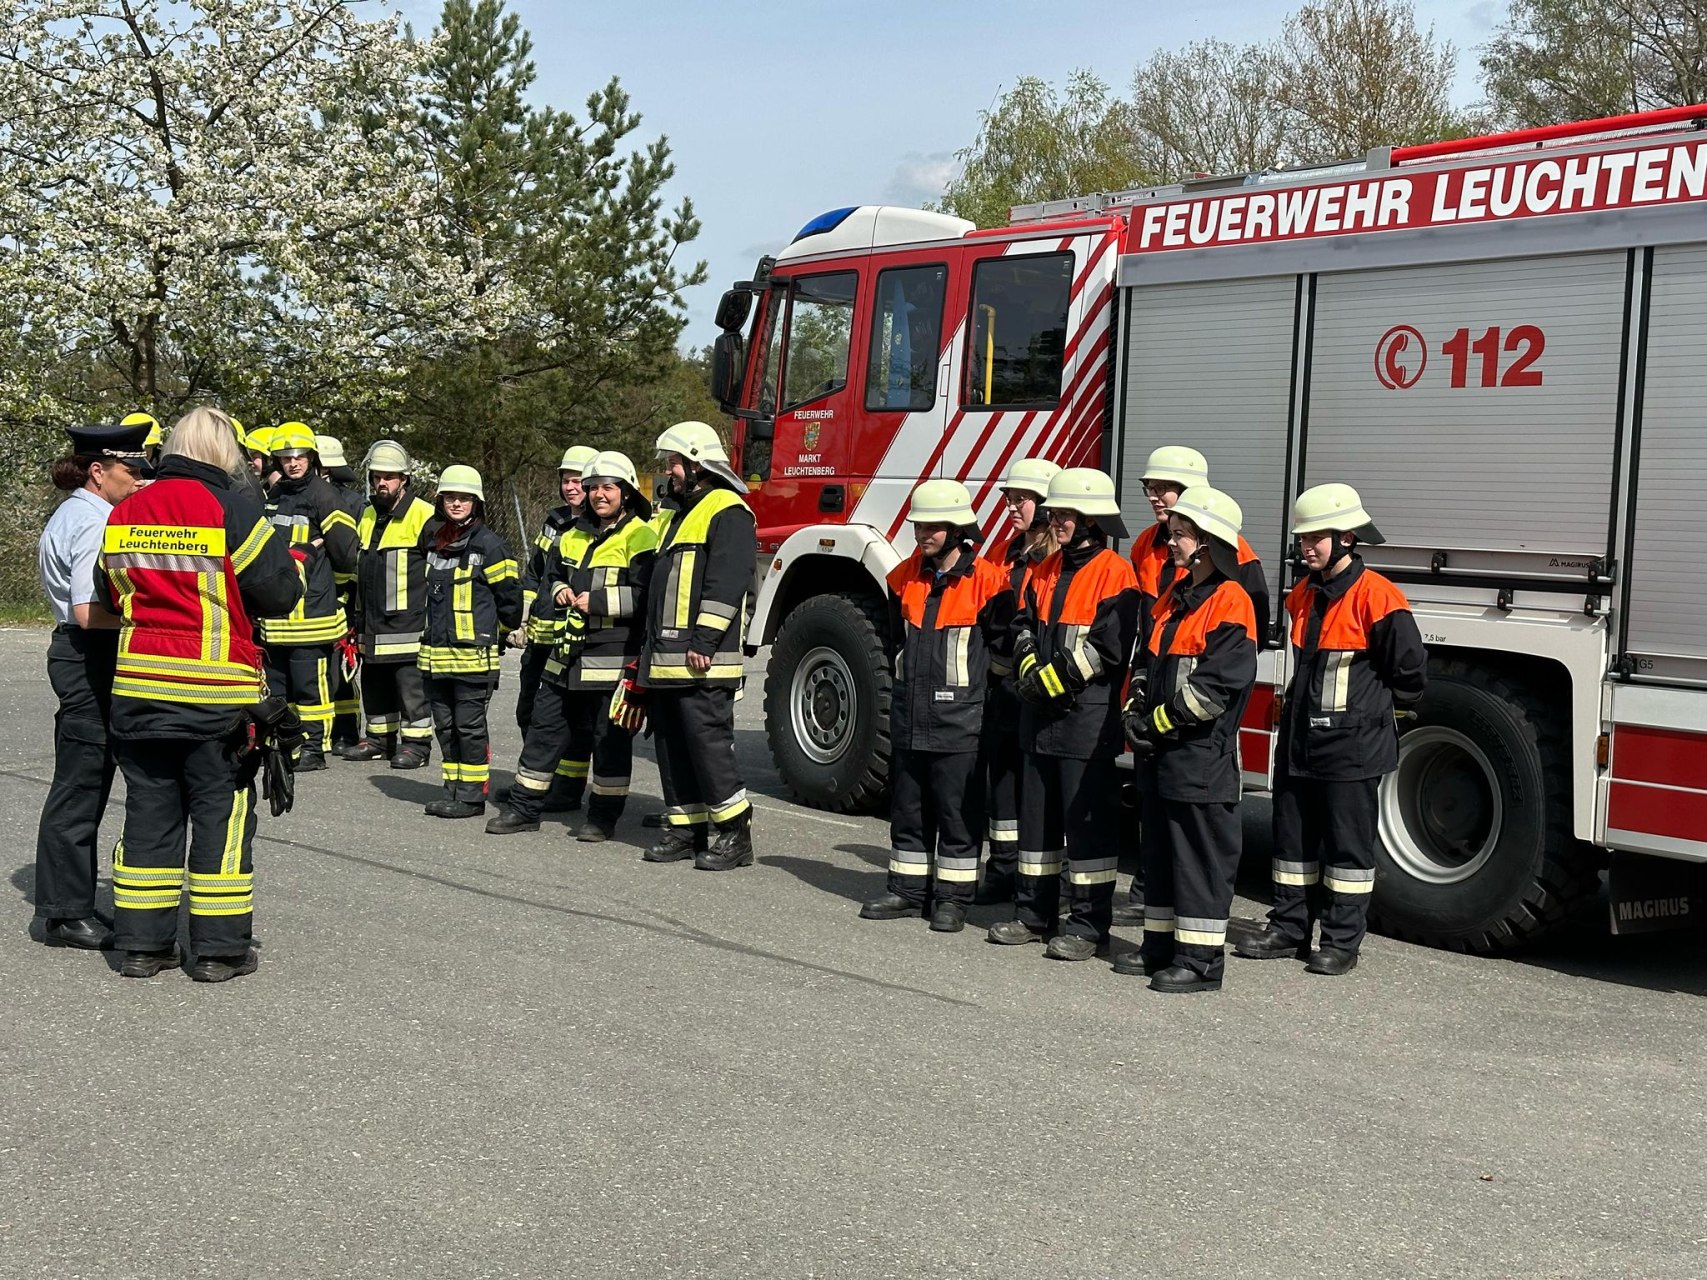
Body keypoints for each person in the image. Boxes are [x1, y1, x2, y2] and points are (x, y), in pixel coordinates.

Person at [96, 406, 301, 981]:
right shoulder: (233, 506)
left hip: (139, 693)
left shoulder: (127, 509)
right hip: (216, 699)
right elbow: (277, 592)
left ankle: (143, 946)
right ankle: (217, 950)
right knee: (222, 818)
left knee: (149, 815)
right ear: (224, 453)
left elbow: (108, 593)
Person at [1236, 484, 1427, 976]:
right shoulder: (1303, 594)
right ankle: (1289, 929)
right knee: (1292, 843)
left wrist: (1372, 721)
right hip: (1301, 743)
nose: (1306, 548)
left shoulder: (1380, 598)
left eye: (1316, 538)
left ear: (1346, 537)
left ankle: (1341, 942)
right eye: (1302, 538)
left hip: (1352, 748)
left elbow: (1409, 676)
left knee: (1347, 852)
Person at [1114, 444, 1272, 927]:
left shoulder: (1237, 564)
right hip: (1159, 681)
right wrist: (1138, 705)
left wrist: (1167, 715)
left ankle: (1194, 947)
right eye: (1150, 488)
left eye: (1166, 489)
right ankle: (1154, 909)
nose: (1156, 497)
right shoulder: (1146, 546)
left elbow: (1242, 643)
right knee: (1158, 823)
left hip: (1196, 721)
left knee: (1196, 838)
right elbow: (1148, 623)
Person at [988, 467, 1139, 961]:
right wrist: (1030, 664)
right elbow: (1023, 623)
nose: (1057, 521)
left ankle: (1089, 925)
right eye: (1055, 513)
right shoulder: (1045, 568)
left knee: (1087, 828)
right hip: (1040, 719)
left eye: (1066, 514)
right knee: (1037, 824)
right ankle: (1033, 915)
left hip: (1085, 721)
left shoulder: (1116, 574)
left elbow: (1108, 649)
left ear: (1092, 520)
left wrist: (1051, 681)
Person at [860, 479, 1013, 932]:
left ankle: (953, 899)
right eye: (918, 525)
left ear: (957, 528)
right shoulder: (903, 576)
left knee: (958, 812)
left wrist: (978, 699)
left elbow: (1003, 653)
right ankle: (907, 891)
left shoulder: (989, 581)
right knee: (908, 809)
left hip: (961, 721)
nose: (922, 533)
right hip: (911, 714)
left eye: (932, 526)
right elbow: (893, 642)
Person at [488, 450, 657, 841]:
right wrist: (562, 589)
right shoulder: (570, 534)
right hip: (564, 655)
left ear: (626, 492)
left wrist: (596, 602)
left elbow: (647, 596)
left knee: (608, 741)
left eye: (608, 488)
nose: (599, 495)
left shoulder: (642, 536)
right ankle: (524, 809)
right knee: (544, 730)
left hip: (612, 659)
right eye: (593, 487)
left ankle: (602, 818)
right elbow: (551, 578)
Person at [31, 421, 150, 951]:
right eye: (130, 469)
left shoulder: (82, 512)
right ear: (98, 471)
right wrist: (146, 621)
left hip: (83, 656)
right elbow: (87, 611)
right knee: (81, 783)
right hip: (90, 656)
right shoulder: (93, 523)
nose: (138, 477)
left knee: (87, 780)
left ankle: (69, 900)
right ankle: (64, 912)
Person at [637, 421, 757, 871]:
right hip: (667, 659)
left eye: (674, 463)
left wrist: (705, 639)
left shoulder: (727, 509)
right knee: (671, 746)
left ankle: (734, 833)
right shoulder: (680, 511)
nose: (669, 471)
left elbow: (727, 581)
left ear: (695, 463)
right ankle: (685, 829)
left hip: (701, 658)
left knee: (707, 747)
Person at [417, 465, 523, 818]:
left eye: (464, 498)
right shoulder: (434, 542)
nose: (457, 503)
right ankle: (453, 790)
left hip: (473, 660)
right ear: (440, 501)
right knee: (445, 728)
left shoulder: (491, 546)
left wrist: (503, 633)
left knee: (469, 728)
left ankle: (472, 797)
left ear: (476, 503)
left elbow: (510, 600)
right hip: (435, 658)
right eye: (451, 497)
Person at [976, 457, 1059, 906]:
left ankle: (1045, 877)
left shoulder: (1055, 560)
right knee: (1002, 784)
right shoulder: (1008, 552)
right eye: (1009, 497)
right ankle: (1003, 869)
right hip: (1004, 689)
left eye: (1022, 499)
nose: (1012, 506)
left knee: (1038, 789)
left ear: (1045, 506)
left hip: (1040, 690)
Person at [257, 421, 359, 771]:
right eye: (286, 457)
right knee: (279, 687)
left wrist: (332, 589)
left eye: (299, 456)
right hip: (277, 615)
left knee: (311, 690)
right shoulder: (276, 496)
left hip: (312, 614)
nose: (293, 463)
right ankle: (288, 744)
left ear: (312, 457)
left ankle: (315, 748)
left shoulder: (324, 496)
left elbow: (346, 554)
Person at [510, 444, 596, 811]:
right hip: (540, 635)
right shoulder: (555, 519)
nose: (570, 488)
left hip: (571, 639)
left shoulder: (598, 527)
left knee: (570, 721)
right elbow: (535, 572)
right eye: (565, 480)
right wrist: (523, 621)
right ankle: (539, 783)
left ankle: (566, 790)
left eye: (577, 481)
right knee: (528, 712)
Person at [343, 441, 438, 768]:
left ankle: (416, 745)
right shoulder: (367, 514)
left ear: (405, 480)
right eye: (377, 477)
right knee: (374, 683)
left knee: (410, 688)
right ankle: (378, 739)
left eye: (390, 477)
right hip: (370, 622)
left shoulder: (424, 515)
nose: (382, 483)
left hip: (408, 624)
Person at [316, 434, 365, 753]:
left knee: (336, 665)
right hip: (336, 593)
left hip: (336, 594)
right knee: (338, 666)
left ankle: (342, 730)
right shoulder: (354, 500)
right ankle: (345, 730)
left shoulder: (344, 503)